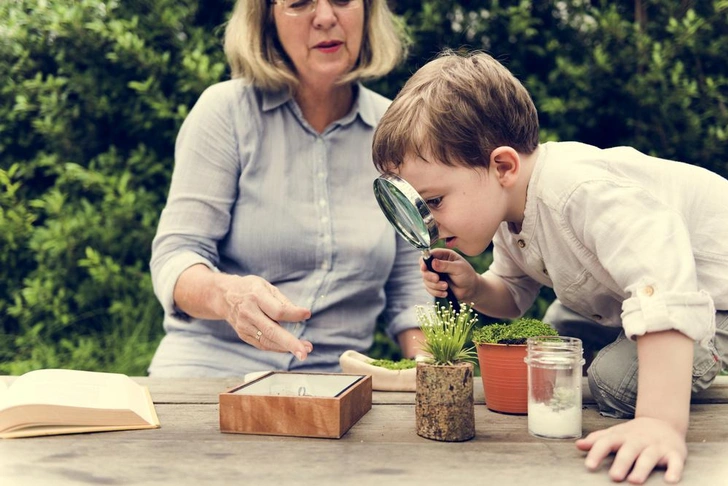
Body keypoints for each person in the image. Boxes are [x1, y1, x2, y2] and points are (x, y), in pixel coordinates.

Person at [371, 50, 728, 484]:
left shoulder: (578, 190)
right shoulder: (508, 210)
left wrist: (660, 422)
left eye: (434, 202)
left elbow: (664, 281)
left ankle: (663, 379)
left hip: (712, 301)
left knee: (612, 380)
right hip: (626, 303)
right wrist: (476, 287)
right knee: (554, 335)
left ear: (502, 165)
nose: (429, 219)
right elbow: (513, 293)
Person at [148, 0, 430, 377]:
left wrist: (428, 366)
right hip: (208, 372)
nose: (326, 17)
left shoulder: (394, 131)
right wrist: (227, 295)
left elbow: (410, 285)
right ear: (266, 19)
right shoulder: (225, 112)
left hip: (335, 384)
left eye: (343, 0)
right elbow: (176, 257)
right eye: (299, 2)